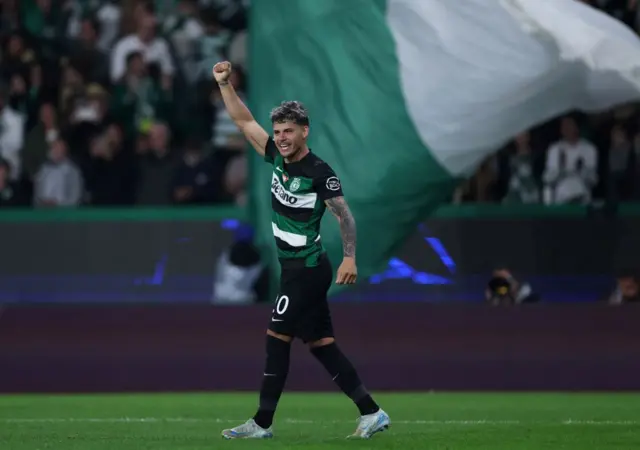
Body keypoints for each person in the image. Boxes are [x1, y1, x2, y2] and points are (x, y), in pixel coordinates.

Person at [212, 61, 390, 440]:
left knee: (276, 337)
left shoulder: (318, 171)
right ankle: (371, 411)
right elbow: (244, 122)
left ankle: (261, 423)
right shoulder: (276, 155)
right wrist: (226, 85)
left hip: (307, 269)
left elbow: (344, 215)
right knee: (321, 344)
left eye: (288, 131)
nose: (281, 137)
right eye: (277, 131)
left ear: (304, 131)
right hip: (294, 267)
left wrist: (350, 257)